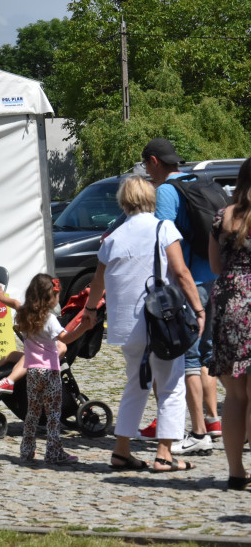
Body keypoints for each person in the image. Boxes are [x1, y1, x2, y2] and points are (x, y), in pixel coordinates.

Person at [83, 176, 204, 472]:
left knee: (136, 385)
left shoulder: (111, 239)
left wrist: (88, 310)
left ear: (124, 202)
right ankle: (164, 454)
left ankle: (121, 451)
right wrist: (199, 310)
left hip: (126, 327)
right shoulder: (164, 229)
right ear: (150, 198)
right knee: (171, 385)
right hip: (160, 322)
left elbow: (98, 281)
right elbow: (182, 272)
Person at [141, 138, 220, 453]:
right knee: (206, 355)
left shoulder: (165, 193)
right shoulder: (198, 183)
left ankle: (198, 434)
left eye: (147, 165)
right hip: (213, 277)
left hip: (188, 284)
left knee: (187, 357)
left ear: (155, 161)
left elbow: (162, 239)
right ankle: (214, 423)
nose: (147, 172)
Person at [15, 273, 95, 465]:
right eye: (57, 295)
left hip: (32, 372)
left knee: (32, 412)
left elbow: (15, 304)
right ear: (49, 297)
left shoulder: (24, 315)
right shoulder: (49, 320)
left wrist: (3, 298)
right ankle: (53, 451)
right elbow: (65, 339)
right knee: (52, 414)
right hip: (50, 371)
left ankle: (26, 450)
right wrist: (83, 328)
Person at [207, 155, 251, 489]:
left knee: (235, 397)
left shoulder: (221, 217)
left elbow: (216, 267)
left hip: (226, 302)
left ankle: (236, 473)